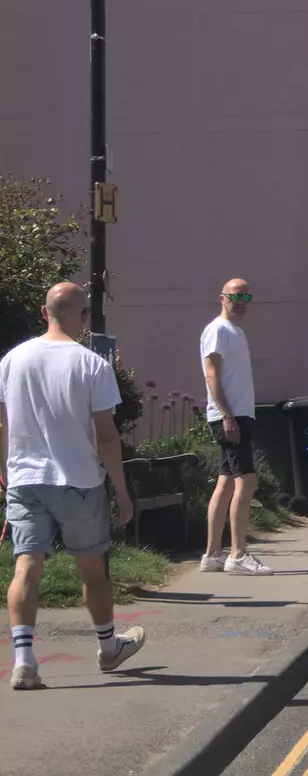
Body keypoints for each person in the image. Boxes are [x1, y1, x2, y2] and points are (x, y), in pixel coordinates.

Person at [1, 283, 147, 689]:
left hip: (26, 479)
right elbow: (106, 436)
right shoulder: (92, 364)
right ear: (82, 316)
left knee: (26, 566)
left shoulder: (12, 360)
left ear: (45, 312)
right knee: (92, 571)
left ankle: (25, 660)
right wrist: (121, 489)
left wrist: (6, 473)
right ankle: (108, 646)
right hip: (78, 480)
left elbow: (4, 424)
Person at [200, 278, 271, 575]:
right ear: (222, 298)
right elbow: (211, 375)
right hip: (230, 416)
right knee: (247, 480)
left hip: (237, 414)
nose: (240, 300)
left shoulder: (236, 332)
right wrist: (227, 415)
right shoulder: (218, 330)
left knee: (226, 482)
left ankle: (212, 555)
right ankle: (238, 554)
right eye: (234, 295)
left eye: (245, 295)